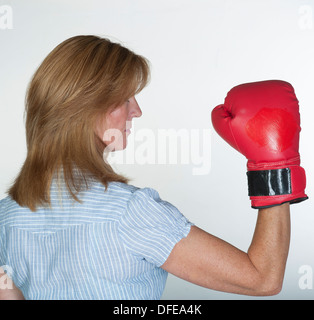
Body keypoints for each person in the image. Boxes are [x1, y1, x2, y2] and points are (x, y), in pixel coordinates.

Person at [0, 35, 308, 300]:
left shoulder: (6, 216)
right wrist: (273, 166)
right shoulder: (131, 213)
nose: (137, 110)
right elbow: (262, 278)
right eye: (125, 99)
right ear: (87, 108)